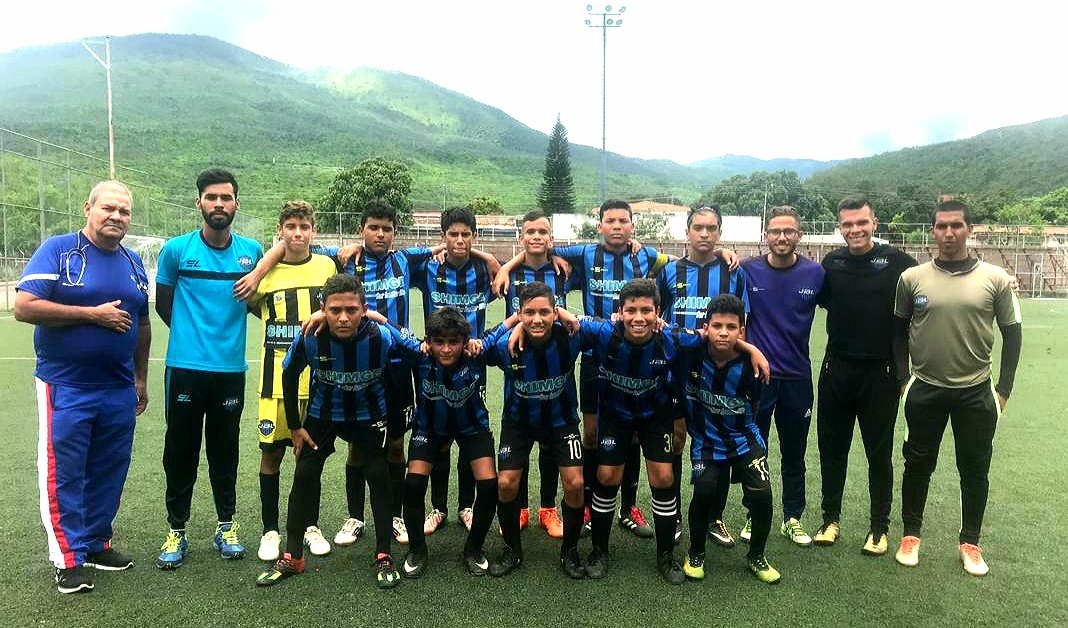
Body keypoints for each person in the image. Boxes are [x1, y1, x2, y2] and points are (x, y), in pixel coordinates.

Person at [239, 199, 438, 548]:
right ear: (361, 230)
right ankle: (355, 517)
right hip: (348, 364)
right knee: (356, 446)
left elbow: (446, 247)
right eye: (373, 227)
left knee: (394, 446)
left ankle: (393, 517)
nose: (380, 234)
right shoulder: (341, 258)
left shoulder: (406, 260)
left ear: (395, 233)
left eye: (386, 228)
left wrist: (492, 263)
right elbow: (293, 244)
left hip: (393, 366)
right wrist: (258, 274)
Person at [496, 200, 671, 540]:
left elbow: (679, 262)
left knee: (633, 431)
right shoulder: (585, 254)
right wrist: (505, 266)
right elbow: (542, 246)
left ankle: (629, 508)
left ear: (632, 226)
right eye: (610, 221)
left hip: (635, 354)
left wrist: (724, 255)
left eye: (623, 221)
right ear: (599, 225)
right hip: (594, 354)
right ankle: (588, 507)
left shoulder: (647, 256)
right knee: (589, 434)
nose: (617, 226)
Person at [15, 180, 150, 594]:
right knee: (64, 472)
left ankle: (94, 543)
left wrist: (140, 377)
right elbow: (24, 306)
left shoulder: (133, 262)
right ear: (88, 208)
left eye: (124, 211)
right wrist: (92, 315)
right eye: (108, 208)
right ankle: (67, 557)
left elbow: (142, 323)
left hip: (118, 387)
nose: (117, 216)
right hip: (66, 384)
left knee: (110, 469)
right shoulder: (59, 250)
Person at [255, 273, 416, 589]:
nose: (343, 318)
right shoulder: (310, 336)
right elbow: (289, 375)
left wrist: (381, 318)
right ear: (322, 309)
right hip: (323, 415)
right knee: (304, 476)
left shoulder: (381, 336)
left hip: (369, 416)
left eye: (352, 310)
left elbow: (417, 349)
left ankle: (383, 554)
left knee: (378, 476)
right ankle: (293, 556)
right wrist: (296, 426)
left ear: (364, 309)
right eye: (335, 310)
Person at [891, 200, 1022, 576]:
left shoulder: (995, 278)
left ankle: (971, 543)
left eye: (956, 226)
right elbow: (897, 332)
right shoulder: (912, 278)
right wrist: (903, 380)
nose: (949, 233)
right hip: (925, 387)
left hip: (976, 390)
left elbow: (1013, 334)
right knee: (917, 464)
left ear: (969, 229)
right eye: (942, 226)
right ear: (933, 230)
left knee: (975, 468)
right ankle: (911, 535)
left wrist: (1004, 389)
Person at [155, 168, 263, 569]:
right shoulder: (176, 250)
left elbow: (261, 300)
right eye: (212, 197)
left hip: (230, 370)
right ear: (198, 201)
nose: (219, 204)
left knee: (225, 450)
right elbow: (164, 305)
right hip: (184, 368)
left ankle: (226, 526)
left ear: (236, 204)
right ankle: (176, 529)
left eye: (226, 198)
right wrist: (192, 336)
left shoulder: (251, 252)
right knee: (180, 450)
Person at [813, 195, 916, 556]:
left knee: (879, 454)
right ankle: (830, 520)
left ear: (874, 223)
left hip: (880, 374)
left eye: (861, 223)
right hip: (836, 370)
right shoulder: (832, 263)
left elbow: (934, 281)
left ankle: (878, 528)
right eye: (847, 224)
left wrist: (1002, 276)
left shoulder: (899, 262)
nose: (854, 229)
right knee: (832, 450)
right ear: (839, 227)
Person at [247, 201, 339, 562]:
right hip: (274, 385)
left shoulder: (327, 267)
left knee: (310, 458)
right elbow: (251, 305)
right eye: (291, 227)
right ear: (280, 230)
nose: (297, 233)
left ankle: (309, 526)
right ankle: (270, 530)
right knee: (271, 456)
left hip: (316, 384)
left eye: (304, 227)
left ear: (313, 231)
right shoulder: (263, 273)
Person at [657, 205, 749, 545]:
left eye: (712, 228)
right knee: (676, 440)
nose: (705, 233)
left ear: (720, 233)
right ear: (687, 231)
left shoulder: (733, 271)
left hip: (717, 372)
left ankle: (714, 517)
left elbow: (744, 323)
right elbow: (657, 316)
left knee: (716, 443)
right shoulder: (669, 271)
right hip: (676, 370)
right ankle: (675, 514)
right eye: (699, 227)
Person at [482, 282, 588, 579]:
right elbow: (480, 345)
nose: (537, 319)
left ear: (555, 312)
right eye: (529, 313)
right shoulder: (506, 345)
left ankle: (570, 551)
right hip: (519, 423)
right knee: (506, 483)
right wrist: (513, 325)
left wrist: (565, 314)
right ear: (519, 313)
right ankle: (512, 550)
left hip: (561, 421)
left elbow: (606, 325)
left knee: (576, 483)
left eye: (544, 312)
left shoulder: (571, 336)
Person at [676, 294, 780, 584]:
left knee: (762, 495)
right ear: (706, 327)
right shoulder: (692, 354)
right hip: (707, 441)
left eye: (731, 327)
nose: (723, 333)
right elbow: (670, 334)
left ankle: (757, 556)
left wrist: (750, 350)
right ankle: (696, 552)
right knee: (704, 492)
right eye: (717, 326)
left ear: (741, 331)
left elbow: (755, 408)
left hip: (744, 439)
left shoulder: (753, 367)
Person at [741, 206, 825, 549]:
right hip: (758, 377)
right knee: (755, 449)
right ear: (766, 236)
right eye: (775, 231)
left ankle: (792, 517)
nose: (782, 237)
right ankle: (753, 513)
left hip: (797, 378)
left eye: (789, 231)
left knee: (794, 452)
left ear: (799, 236)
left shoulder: (815, 273)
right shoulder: (747, 269)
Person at [416, 207, 501, 536]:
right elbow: (396, 257)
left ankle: (467, 505)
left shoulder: (484, 270)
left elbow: (510, 276)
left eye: (466, 234)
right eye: (453, 234)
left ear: (474, 236)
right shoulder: (428, 267)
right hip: (434, 363)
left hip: (473, 363)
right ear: (443, 236)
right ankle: (438, 507)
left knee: (469, 436)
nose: (460, 240)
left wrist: (488, 257)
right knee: (437, 436)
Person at [395, 307, 498, 578]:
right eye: (439, 342)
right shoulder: (420, 355)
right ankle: (417, 550)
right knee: (413, 484)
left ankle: (473, 549)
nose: (446, 349)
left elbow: (505, 328)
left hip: (472, 427)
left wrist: (522, 322)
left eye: (453, 342)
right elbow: (390, 327)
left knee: (489, 486)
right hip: (430, 428)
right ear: (428, 341)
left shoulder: (476, 353)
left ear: (465, 341)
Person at [501, 210, 572, 539]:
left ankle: (548, 507)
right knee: (521, 434)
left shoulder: (565, 269)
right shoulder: (507, 274)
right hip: (518, 360)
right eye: (530, 231)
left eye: (543, 232)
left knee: (550, 441)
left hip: (555, 359)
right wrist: (505, 265)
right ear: (521, 237)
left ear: (552, 238)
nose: (536, 237)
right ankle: (521, 508)